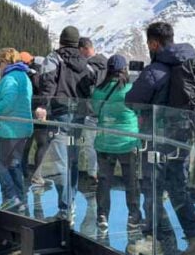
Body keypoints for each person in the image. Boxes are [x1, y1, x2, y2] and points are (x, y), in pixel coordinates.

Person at [126, 21, 195, 255]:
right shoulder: (190, 65)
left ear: (153, 43)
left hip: (157, 141)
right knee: (178, 187)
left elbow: (132, 100)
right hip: (183, 138)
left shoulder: (156, 70)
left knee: (151, 189)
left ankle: (157, 242)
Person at [36, 26, 92, 216]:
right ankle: (71, 201)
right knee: (73, 159)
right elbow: (91, 83)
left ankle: (64, 208)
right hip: (80, 115)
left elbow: (48, 82)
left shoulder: (54, 57)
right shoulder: (85, 62)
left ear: (61, 40)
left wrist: (43, 105)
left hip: (60, 112)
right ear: (77, 43)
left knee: (60, 162)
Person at [90, 54, 141, 231]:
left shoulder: (98, 91)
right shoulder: (131, 90)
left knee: (104, 180)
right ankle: (133, 216)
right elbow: (140, 111)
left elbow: (95, 110)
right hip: (128, 142)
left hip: (104, 141)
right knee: (131, 181)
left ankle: (102, 216)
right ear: (124, 70)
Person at [0, 48, 34, 212]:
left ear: (6, 62)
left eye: (0, 63)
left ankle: (11, 197)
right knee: (14, 165)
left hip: (8, 128)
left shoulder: (10, 78)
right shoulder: (24, 76)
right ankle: (20, 199)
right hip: (21, 127)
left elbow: (8, 102)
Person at [79, 37, 108, 181]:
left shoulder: (87, 67)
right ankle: (104, 175)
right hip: (108, 113)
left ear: (83, 49)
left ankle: (93, 174)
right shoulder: (107, 64)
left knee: (90, 146)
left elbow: (84, 88)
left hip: (91, 112)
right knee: (104, 146)